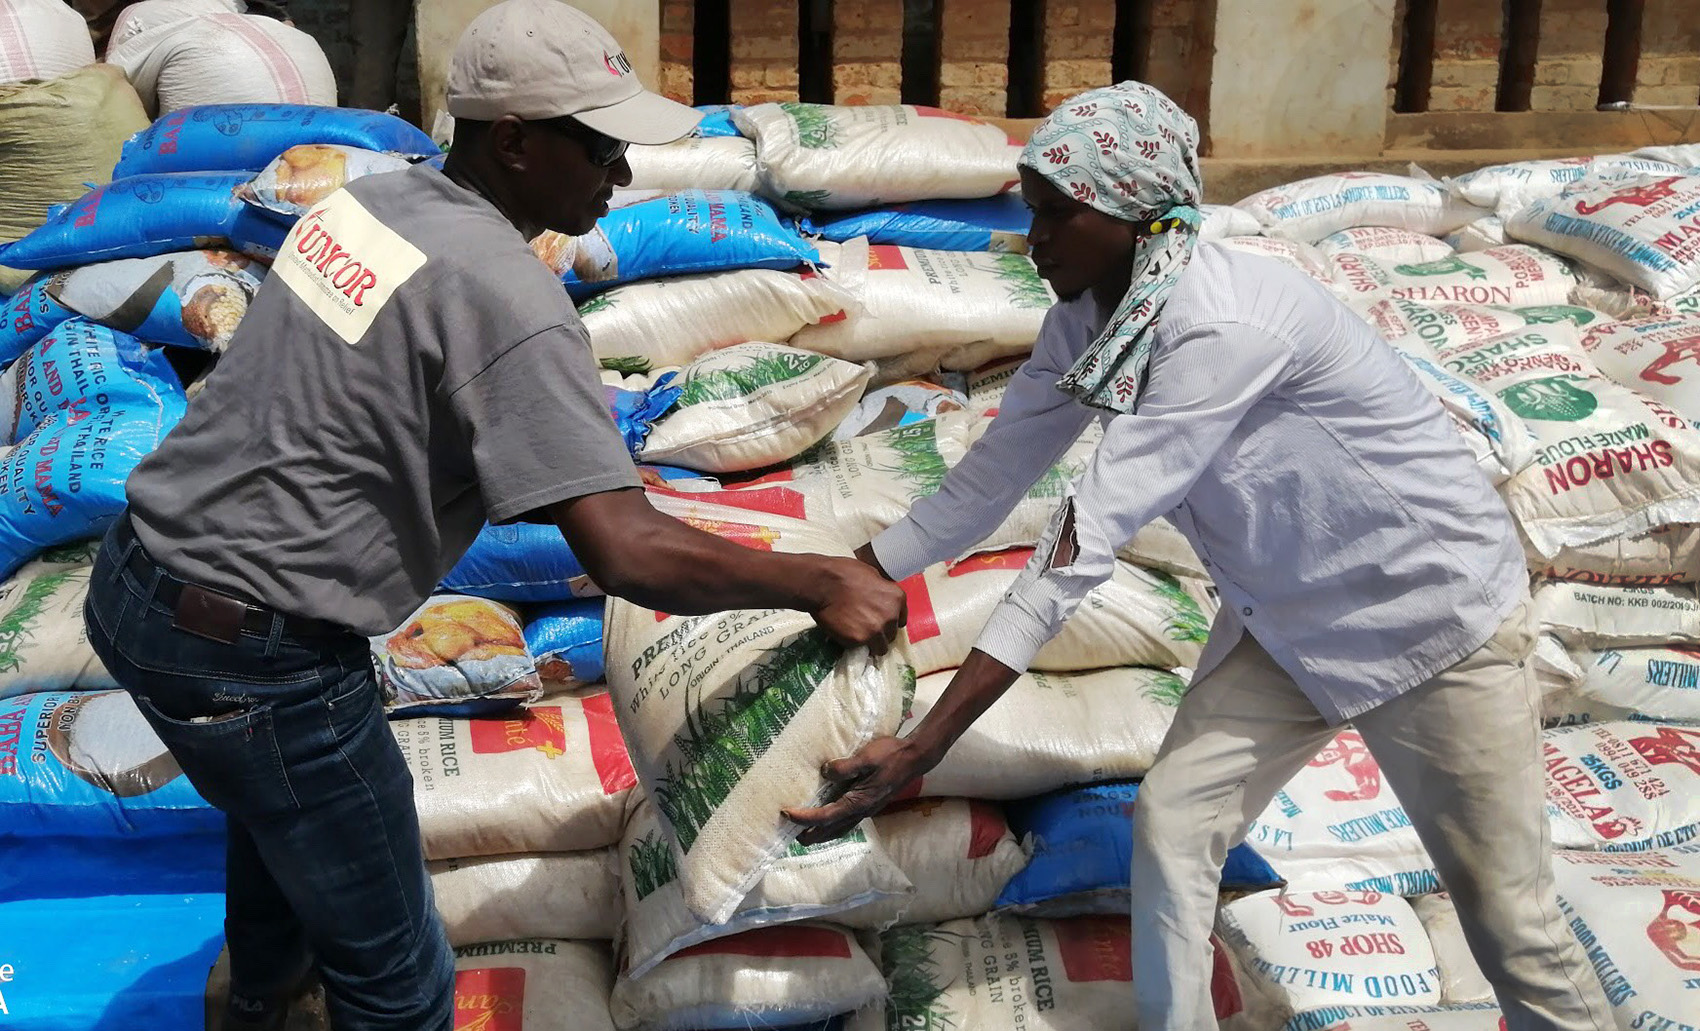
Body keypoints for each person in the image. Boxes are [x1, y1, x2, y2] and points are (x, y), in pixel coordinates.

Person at [81, 3, 905, 1030]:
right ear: (512, 141)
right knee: (400, 984)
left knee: (276, 818)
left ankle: (255, 999)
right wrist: (818, 580)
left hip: (139, 582)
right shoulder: (510, 296)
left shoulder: (370, 206)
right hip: (258, 652)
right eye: (599, 146)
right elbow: (624, 547)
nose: (618, 175)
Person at [785, 82, 1613, 1031]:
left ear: (1140, 219)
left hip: (1430, 615)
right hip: (1290, 617)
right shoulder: (1086, 324)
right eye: (1032, 211)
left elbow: (1079, 540)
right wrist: (836, 576)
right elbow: (984, 488)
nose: (1036, 238)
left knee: (1510, 921)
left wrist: (929, 742)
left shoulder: (1217, 324)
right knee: (1174, 825)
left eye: (1059, 214)